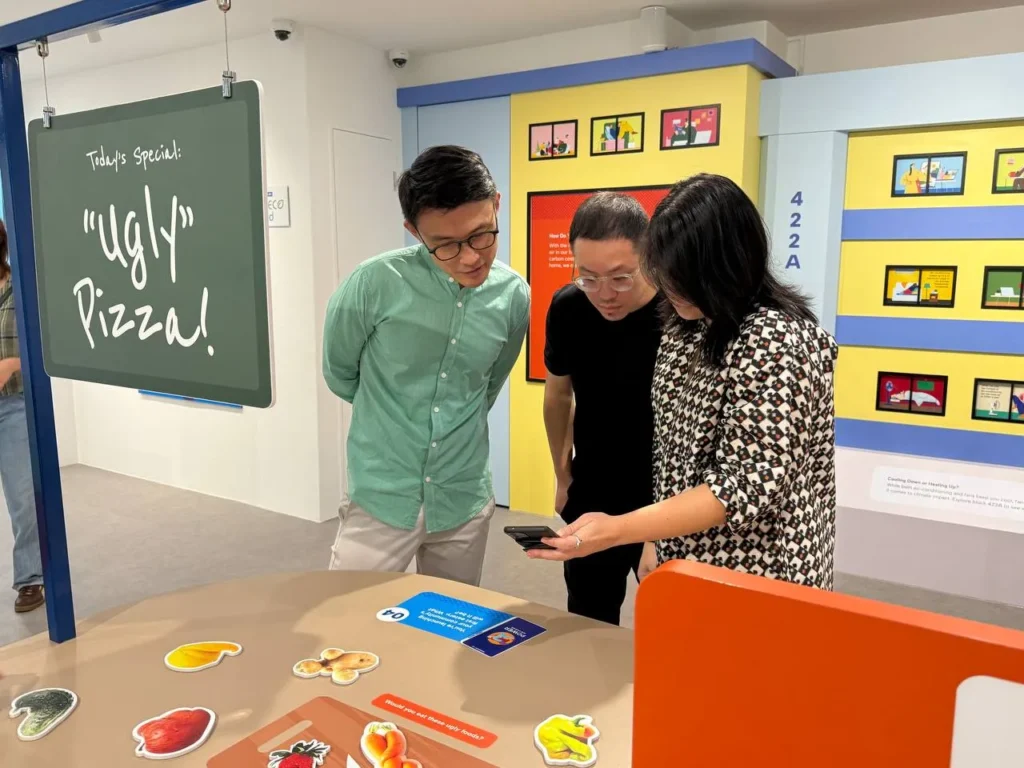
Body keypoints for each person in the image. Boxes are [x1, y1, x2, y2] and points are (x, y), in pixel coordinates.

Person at [528, 174, 839, 591]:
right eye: (662, 270)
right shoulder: (685, 326)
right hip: (687, 551)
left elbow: (743, 484)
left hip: (759, 564)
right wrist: (654, 534)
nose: (667, 285)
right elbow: (670, 452)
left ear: (726, 265)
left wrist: (623, 529)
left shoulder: (778, 340)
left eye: (679, 273)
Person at [323, 145, 530, 586]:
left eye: (481, 235)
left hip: (462, 494)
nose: (470, 257)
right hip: (382, 493)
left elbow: (488, 385)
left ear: (496, 204)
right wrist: (392, 417)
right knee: (346, 614)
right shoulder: (373, 284)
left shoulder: (513, 295)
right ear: (414, 231)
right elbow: (339, 372)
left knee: (448, 618)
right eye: (446, 245)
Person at [543, 192, 660, 625]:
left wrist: (659, 529)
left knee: (672, 624)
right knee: (588, 619)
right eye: (588, 278)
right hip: (593, 488)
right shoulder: (569, 308)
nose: (605, 295)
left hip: (664, 494)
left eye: (621, 278)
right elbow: (558, 396)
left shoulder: (678, 312)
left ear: (648, 258)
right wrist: (563, 476)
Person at [0, 220, 45, 613]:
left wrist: (12, 364)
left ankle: (30, 579)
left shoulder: (22, 288)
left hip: (13, 404)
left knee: (22, 498)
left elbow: (44, 343)